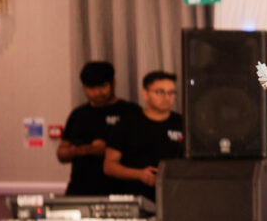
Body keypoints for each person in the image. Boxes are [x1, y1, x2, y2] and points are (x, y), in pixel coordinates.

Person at [58, 61, 138, 196]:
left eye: (102, 87)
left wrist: (109, 150)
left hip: (121, 191)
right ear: (84, 87)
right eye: (91, 88)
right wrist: (85, 150)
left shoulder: (130, 112)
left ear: (113, 83)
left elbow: (140, 152)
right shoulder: (78, 114)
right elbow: (61, 154)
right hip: (80, 190)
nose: (97, 93)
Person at [103, 71, 184, 200]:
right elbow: (109, 166)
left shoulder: (182, 123)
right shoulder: (127, 123)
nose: (167, 97)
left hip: (175, 196)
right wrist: (139, 174)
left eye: (171, 92)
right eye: (160, 92)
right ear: (145, 94)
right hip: (135, 197)